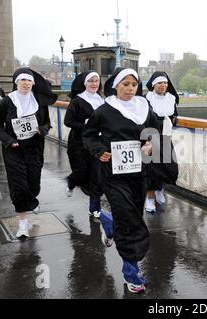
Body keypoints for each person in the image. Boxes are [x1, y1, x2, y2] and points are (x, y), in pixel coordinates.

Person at [83, 68, 159, 294]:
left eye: (134, 84)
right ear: (116, 85)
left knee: (133, 215)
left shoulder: (145, 107)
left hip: (140, 173)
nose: (130, 88)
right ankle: (132, 274)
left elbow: (154, 132)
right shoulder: (104, 110)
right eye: (125, 84)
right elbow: (88, 135)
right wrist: (99, 151)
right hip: (113, 175)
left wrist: (150, 144)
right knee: (129, 221)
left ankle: (108, 222)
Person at [0, 67, 57, 239]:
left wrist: (41, 130)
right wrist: (8, 141)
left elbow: (47, 124)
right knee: (18, 184)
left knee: (33, 184)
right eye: (23, 80)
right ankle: (22, 224)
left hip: (34, 148)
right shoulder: (7, 102)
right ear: (16, 82)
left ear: (33, 83)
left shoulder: (38, 103)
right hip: (14, 149)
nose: (26, 83)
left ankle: (31, 199)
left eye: (29, 80)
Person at [64, 71, 104, 218]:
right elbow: (68, 121)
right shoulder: (77, 101)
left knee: (96, 175)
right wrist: (85, 124)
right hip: (78, 142)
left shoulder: (101, 100)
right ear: (84, 83)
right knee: (81, 172)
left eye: (96, 81)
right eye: (91, 81)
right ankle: (71, 180)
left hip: (97, 143)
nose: (94, 84)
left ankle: (94, 207)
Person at [144, 71, 179, 214]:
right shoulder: (147, 98)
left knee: (170, 168)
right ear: (153, 85)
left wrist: (174, 119)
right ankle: (150, 199)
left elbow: (174, 115)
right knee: (152, 171)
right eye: (160, 83)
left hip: (165, 137)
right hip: (151, 137)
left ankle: (159, 189)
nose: (163, 85)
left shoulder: (171, 98)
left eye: (165, 83)